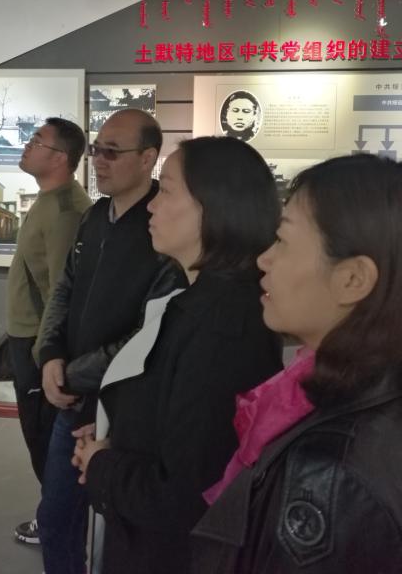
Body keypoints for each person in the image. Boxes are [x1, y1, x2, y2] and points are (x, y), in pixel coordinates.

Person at [73, 137, 283, 574]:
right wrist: (119, 428)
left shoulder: (223, 326)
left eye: (166, 190)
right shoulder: (202, 303)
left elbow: (186, 493)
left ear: (216, 207)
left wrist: (102, 464)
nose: (151, 205)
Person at [191, 153, 402, 574]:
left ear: (352, 279)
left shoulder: (332, 474)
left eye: (283, 241)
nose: (264, 259)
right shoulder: (352, 392)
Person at [36, 109, 181, 574]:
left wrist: (72, 374)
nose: (99, 160)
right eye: (97, 150)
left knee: (119, 535)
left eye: (112, 152)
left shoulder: (164, 227)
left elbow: (149, 333)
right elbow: (65, 288)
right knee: (56, 517)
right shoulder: (95, 215)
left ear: (148, 158)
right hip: (72, 402)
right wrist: (50, 354)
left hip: (126, 410)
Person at [7, 117, 91, 546]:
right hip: (29, 339)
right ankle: (57, 520)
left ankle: (58, 526)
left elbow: (64, 293)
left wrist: (47, 356)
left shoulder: (65, 212)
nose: (28, 145)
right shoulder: (50, 201)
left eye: (37, 141)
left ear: (59, 157)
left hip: (39, 347)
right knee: (39, 439)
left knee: (46, 444)